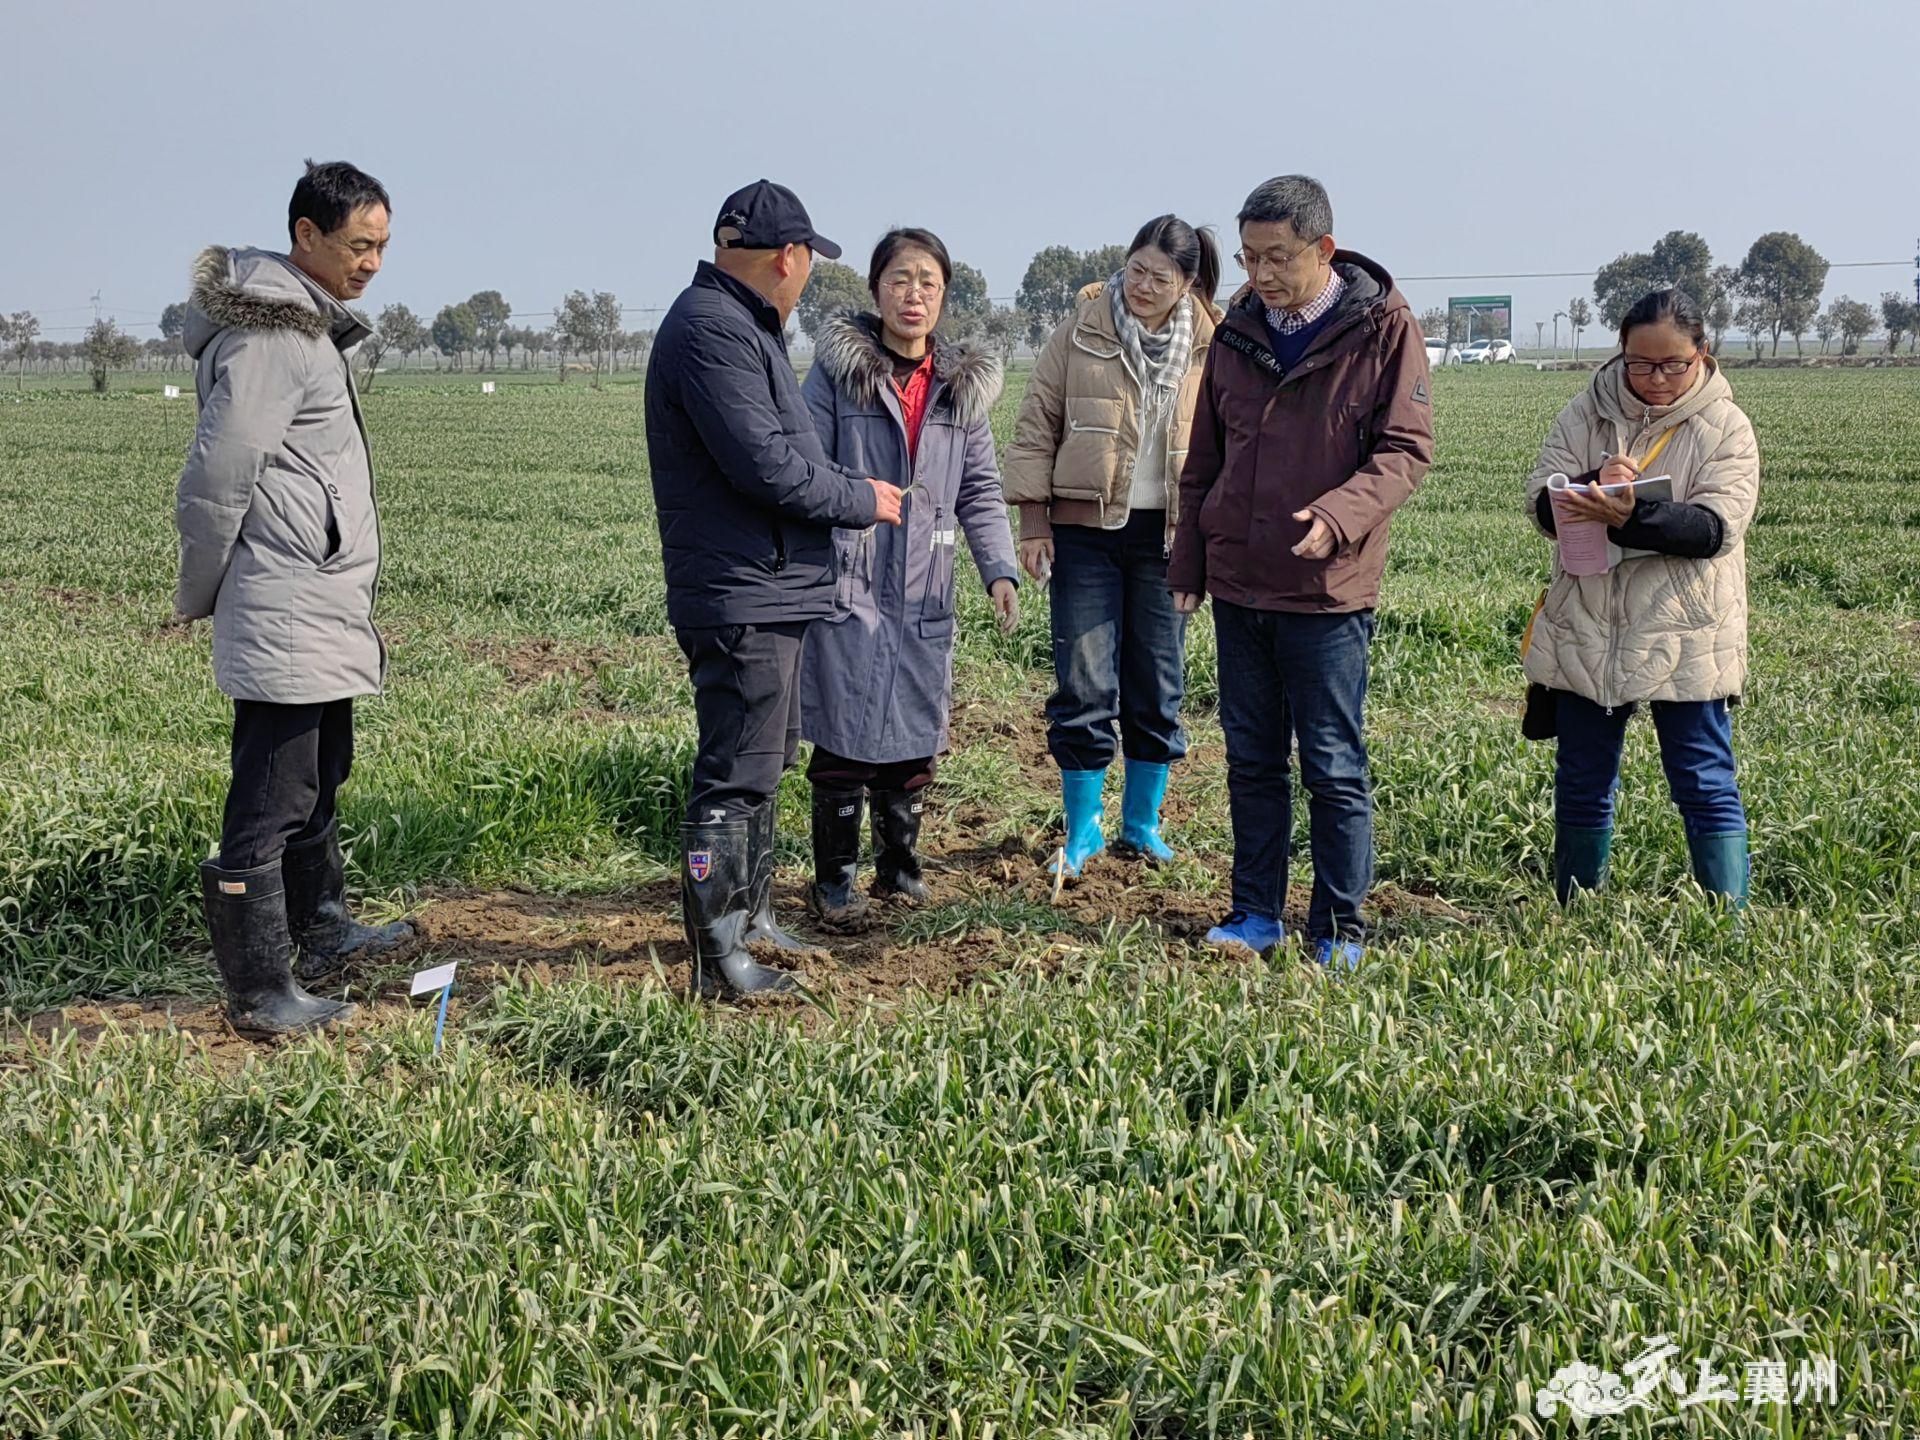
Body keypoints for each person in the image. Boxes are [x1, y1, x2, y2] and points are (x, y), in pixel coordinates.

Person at [172, 160, 414, 1037]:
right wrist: (200, 588)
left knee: (319, 773)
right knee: (270, 793)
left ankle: (319, 929)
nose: (373, 262)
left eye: (383, 245)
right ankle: (260, 989)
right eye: (359, 244)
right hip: (284, 594)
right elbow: (218, 472)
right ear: (305, 236)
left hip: (314, 593)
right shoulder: (273, 337)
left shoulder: (303, 328)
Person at [1167, 175, 1433, 971]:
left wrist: (1340, 514)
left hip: (1326, 591)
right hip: (1242, 583)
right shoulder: (1240, 330)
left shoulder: (1382, 329)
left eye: (1276, 257)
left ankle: (1339, 927)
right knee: (1250, 759)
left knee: (1332, 763)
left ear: (1323, 248)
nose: (1259, 275)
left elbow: (1405, 450)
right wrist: (1190, 561)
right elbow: (1204, 458)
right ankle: (1255, 913)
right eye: (1248, 258)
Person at [645, 179, 904, 997]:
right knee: (734, 774)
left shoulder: (738, 326)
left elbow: (785, 452)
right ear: (789, 258)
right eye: (809, 261)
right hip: (742, 591)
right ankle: (719, 954)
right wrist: (862, 498)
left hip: (768, 587)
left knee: (762, 765)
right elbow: (765, 465)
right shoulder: (711, 331)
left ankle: (749, 914)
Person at [798, 228, 1020, 930]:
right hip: (852, 578)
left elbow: (980, 489)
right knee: (842, 737)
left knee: (915, 739)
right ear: (875, 291)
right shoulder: (838, 376)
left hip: (927, 583)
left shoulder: (959, 390)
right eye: (900, 279)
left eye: (927, 281)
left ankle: (900, 868)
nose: (913, 294)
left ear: (944, 294)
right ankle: (834, 880)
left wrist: (999, 571)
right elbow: (804, 466)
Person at [1002, 215, 1222, 877]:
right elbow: (1038, 421)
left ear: (1187, 283)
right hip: (1086, 533)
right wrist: (1034, 521)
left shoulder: (1215, 347)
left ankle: (1143, 824)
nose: (1143, 287)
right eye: (1135, 272)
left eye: (1160, 277)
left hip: (1169, 539)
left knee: (1158, 683)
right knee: (1084, 682)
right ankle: (1084, 830)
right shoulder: (1080, 331)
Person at [1525, 288, 1759, 907]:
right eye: (1639, 364)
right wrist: (1585, 488)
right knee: (1582, 777)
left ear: (1702, 355)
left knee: (1703, 778)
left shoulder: (1725, 426)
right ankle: (1575, 907)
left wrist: (1630, 514)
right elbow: (1540, 504)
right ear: (1621, 354)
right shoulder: (1585, 413)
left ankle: (1725, 918)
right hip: (1589, 625)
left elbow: (1715, 528)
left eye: (1672, 364)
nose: (1655, 379)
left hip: (1688, 630)